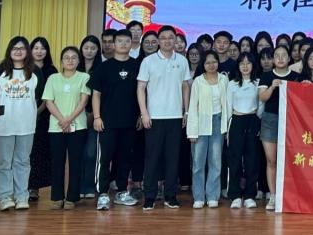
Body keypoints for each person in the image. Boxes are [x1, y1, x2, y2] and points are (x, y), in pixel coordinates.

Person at [136, 25, 191, 210]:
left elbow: (185, 86)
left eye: (171, 38)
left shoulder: (182, 61)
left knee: (172, 158)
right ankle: (150, 197)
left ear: (176, 40)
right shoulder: (148, 61)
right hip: (154, 117)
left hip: (175, 117)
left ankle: (170, 196)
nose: (167, 41)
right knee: (152, 158)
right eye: (164, 38)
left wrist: (186, 111)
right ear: (159, 41)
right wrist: (144, 113)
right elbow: (141, 88)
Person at [92, 29, 140, 210]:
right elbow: (96, 94)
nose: (123, 44)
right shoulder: (104, 67)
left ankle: (121, 192)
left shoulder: (137, 65)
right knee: (104, 159)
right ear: (113, 44)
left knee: (125, 159)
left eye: (127, 41)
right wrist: (97, 117)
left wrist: (140, 115)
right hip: (107, 122)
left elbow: (142, 92)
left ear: (131, 43)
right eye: (119, 41)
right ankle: (103, 194)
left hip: (130, 122)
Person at [0, 36, 37, 211]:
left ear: (27, 51)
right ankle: (4, 197)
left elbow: (40, 98)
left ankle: (22, 196)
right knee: (3, 162)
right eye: (15, 48)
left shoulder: (35, 71)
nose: (18, 51)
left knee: (22, 161)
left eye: (22, 48)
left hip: (26, 125)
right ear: (9, 50)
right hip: (3, 125)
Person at [42, 46, 91, 209]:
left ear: (78, 60)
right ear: (61, 61)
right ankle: (57, 197)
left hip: (78, 126)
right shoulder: (53, 78)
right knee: (57, 162)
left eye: (73, 57)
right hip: (56, 127)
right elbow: (49, 102)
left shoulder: (84, 77)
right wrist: (62, 120)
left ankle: (72, 197)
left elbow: (83, 101)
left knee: (76, 162)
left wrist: (68, 119)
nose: (70, 60)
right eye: (66, 58)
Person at [257, 45, 302, 210]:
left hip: (292, 121)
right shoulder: (267, 76)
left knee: (291, 160)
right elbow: (262, 97)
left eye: (284, 55)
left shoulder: (296, 76)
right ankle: (273, 196)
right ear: (273, 59)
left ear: (289, 58)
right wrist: (272, 86)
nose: (281, 58)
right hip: (270, 120)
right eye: (277, 55)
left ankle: (290, 195)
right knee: (271, 160)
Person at [187, 52, 230, 208]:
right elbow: (193, 107)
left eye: (214, 62)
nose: (211, 65)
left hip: (218, 122)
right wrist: (192, 131)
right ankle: (198, 197)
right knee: (198, 163)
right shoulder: (198, 81)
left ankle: (212, 196)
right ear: (203, 65)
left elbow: (227, 104)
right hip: (201, 123)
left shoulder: (224, 79)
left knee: (216, 162)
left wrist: (227, 127)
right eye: (208, 63)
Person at [225, 52, 262, 209]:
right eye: (242, 63)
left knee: (251, 159)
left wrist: (257, 121)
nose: (245, 66)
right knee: (234, 159)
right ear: (238, 66)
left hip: (253, 120)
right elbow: (228, 106)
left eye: (248, 63)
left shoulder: (257, 83)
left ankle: (249, 195)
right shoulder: (232, 84)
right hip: (236, 120)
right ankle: (234, 195)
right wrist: (227, 127)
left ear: (253, 65)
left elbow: (261, 105)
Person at [27, 36, 56, 201]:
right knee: (25, 153)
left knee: (39, 153)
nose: (39, 51)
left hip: (44, 116)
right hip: (23, 116)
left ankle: (34, 188)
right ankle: (21, 187)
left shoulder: (51, 71)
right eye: (36, 48)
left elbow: (50, 96)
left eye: (43, 48)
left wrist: (37, 112)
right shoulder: (24, 68)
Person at [78, 35, 101, 198]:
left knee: (91, 153)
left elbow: (102, 95)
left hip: (94, 116)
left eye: (93, 48)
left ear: (97, 50)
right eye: (86, 48)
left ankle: (89, 186)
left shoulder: (101, 68)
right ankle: (77, 187)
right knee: (77, 152)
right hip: (75, 116)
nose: (89, 51)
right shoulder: (74, 67)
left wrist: (92, 115)